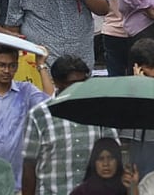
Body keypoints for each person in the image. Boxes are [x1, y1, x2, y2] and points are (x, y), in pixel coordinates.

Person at [23, 56, 118, 195]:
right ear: (57, 83)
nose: (79, 87)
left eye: (83, 81)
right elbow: (29, 164)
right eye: (73, 83)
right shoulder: (39, 115)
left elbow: (114, 154)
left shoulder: (100, 112)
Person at [0, 45, 51, 187]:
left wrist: (41, 65)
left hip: (19, 183)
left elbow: (51, 102)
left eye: (12, 66)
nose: (7, 71)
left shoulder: (26, 91)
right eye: (1, 65)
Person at [68, 138, 136, 195]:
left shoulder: (125, 187)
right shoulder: (83, 191)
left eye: (111, 158)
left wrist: (132, 187)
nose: (105, 164)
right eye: (101, 159)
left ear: (118, 161)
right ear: (94, 163)